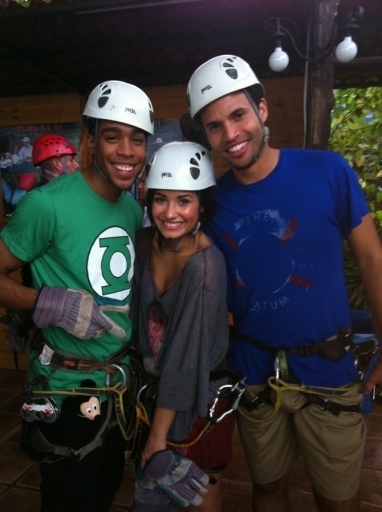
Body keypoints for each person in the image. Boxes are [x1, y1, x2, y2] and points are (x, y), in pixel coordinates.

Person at [186, 54, 382, 512]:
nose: (231, 135)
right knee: (268, 489)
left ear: (263, 110)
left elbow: (372, 257)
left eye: (238, 115)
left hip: (328, 372)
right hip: (255, 375)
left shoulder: (328, 171)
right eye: (215, 126)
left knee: (338, 501)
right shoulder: (213, 205)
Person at [0, 79, 154, 512]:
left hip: (116, 387)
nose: (126, 151)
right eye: (112, 136)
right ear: (89, 141)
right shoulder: (45, 205)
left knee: (103, 493)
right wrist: (43, 302)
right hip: (64, 389)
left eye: (137, 139)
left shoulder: (133, 209)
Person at [131, 141, 238, 512]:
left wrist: (156, 437)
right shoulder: (143, 243)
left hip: (196, 400)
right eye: (161, 199)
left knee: (199, 496)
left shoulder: (205, 266)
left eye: (184, 201)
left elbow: (183, 359)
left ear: (202, 207)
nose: (170, 213)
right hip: (152, 393)